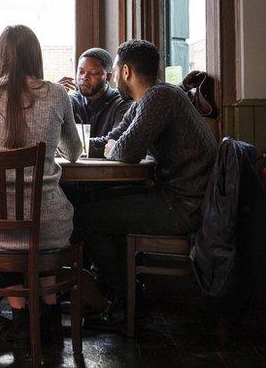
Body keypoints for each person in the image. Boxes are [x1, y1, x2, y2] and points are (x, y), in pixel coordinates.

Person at [74, 39, 218, 322]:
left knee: (86, 216)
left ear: (126, 71)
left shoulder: (159, 98)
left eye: (114, 71)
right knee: (88, 200)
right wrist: (95, 144)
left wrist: (115, 146)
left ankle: (127, 297)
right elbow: (111, 139)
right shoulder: (149, 99)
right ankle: (112, 290)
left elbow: (126, 152)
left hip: (184, 206)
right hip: (173, 196)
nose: (114, 77)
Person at [0, 25, 82, 343]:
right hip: (47, 224)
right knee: (40, 224)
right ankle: (50, 313)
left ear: (0, 56)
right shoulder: (57, 93)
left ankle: (20, 315)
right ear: (35, 56)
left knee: (9, 223)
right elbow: (74, 152)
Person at [58, 48, 133, 158]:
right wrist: (53, 99)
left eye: (93, 73)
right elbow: (50, 138)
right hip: (71, 172)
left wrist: (70, 146)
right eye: (81, 72)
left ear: (108, 77)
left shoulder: (122, 103)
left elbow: (115, 143)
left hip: (111, 173)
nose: (85, 78)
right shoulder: (69, 101)